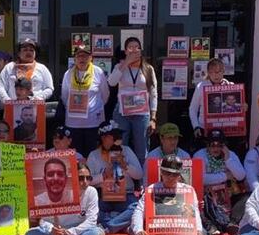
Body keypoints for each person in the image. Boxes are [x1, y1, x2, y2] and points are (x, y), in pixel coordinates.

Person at [130, 154, 206, 235]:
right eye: (167, 173)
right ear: (161, 172)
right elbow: (139, 211)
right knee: (132, 231)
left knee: (203, 233)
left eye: (174, 174)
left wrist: (198, 231)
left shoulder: (188, 190)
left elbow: (194, 212)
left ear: (179, 175)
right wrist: (139, 231)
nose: (170, 177)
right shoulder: (151, 189)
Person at [107, 37, 158, 166]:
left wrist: (153, 118)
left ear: (141, 50)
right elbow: (111, 82)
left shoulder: (148, 69)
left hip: (142, 114)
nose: (134, 50)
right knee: (119, 146)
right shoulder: (120, 66)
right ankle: (120, 177)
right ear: (125, 51)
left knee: (142, 148)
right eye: (130, 47)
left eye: (137, 47)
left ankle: (141, 181)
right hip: (122, 113)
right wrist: (125, 63)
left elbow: (153, 94)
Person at [87, 122, 143, 234]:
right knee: (90, 209)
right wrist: (103, 176)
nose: (118, 139)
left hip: (126, 195)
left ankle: (109, 226)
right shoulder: (94, 155)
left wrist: (125, 165)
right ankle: (120, 223)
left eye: (119, 136)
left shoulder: (126, 150)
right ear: (103, 138)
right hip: (103, 196)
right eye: (114, 136)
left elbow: (139, 174)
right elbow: (87, 181)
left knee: (137, 208)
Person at [61, 43, 110, 157]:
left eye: (85, 56)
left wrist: (93, 108)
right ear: (75, 58)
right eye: (79, 56)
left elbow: (105, 95)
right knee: (76, 156)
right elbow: (64, 96)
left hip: (93, 123)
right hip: (73, 123)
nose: (82, 59)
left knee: (93, 155)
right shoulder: (68, 74)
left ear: (91, 57)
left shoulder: (98, 72)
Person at [0, 38, 54, 103]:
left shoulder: (42, 68)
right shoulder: (10, 67)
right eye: (25, 50)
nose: (28, 52)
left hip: (35, 107)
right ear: (19, 53)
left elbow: (49, 88)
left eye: (31, 50)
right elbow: (0, 86)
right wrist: (7, 101)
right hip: (13, 107)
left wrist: (39, 97)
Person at [189, 57, 233, 140]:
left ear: (223, 71)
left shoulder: (231, 86)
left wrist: (244, 107)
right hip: (205, 129)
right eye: (212, 72)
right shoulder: (201, 87)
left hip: (226, 130)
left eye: (218, 71)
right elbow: (193, 109)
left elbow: (239, 108)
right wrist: (196, 126)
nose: (216, 75)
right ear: (208, 73)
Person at [143, 123, 191, 188]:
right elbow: (146, 181)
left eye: (175, 138)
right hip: (157, 193)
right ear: (161, 138)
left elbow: (189, 182)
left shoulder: (185, 156)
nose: (173, 141)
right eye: (170, 138)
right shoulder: (152, 156)